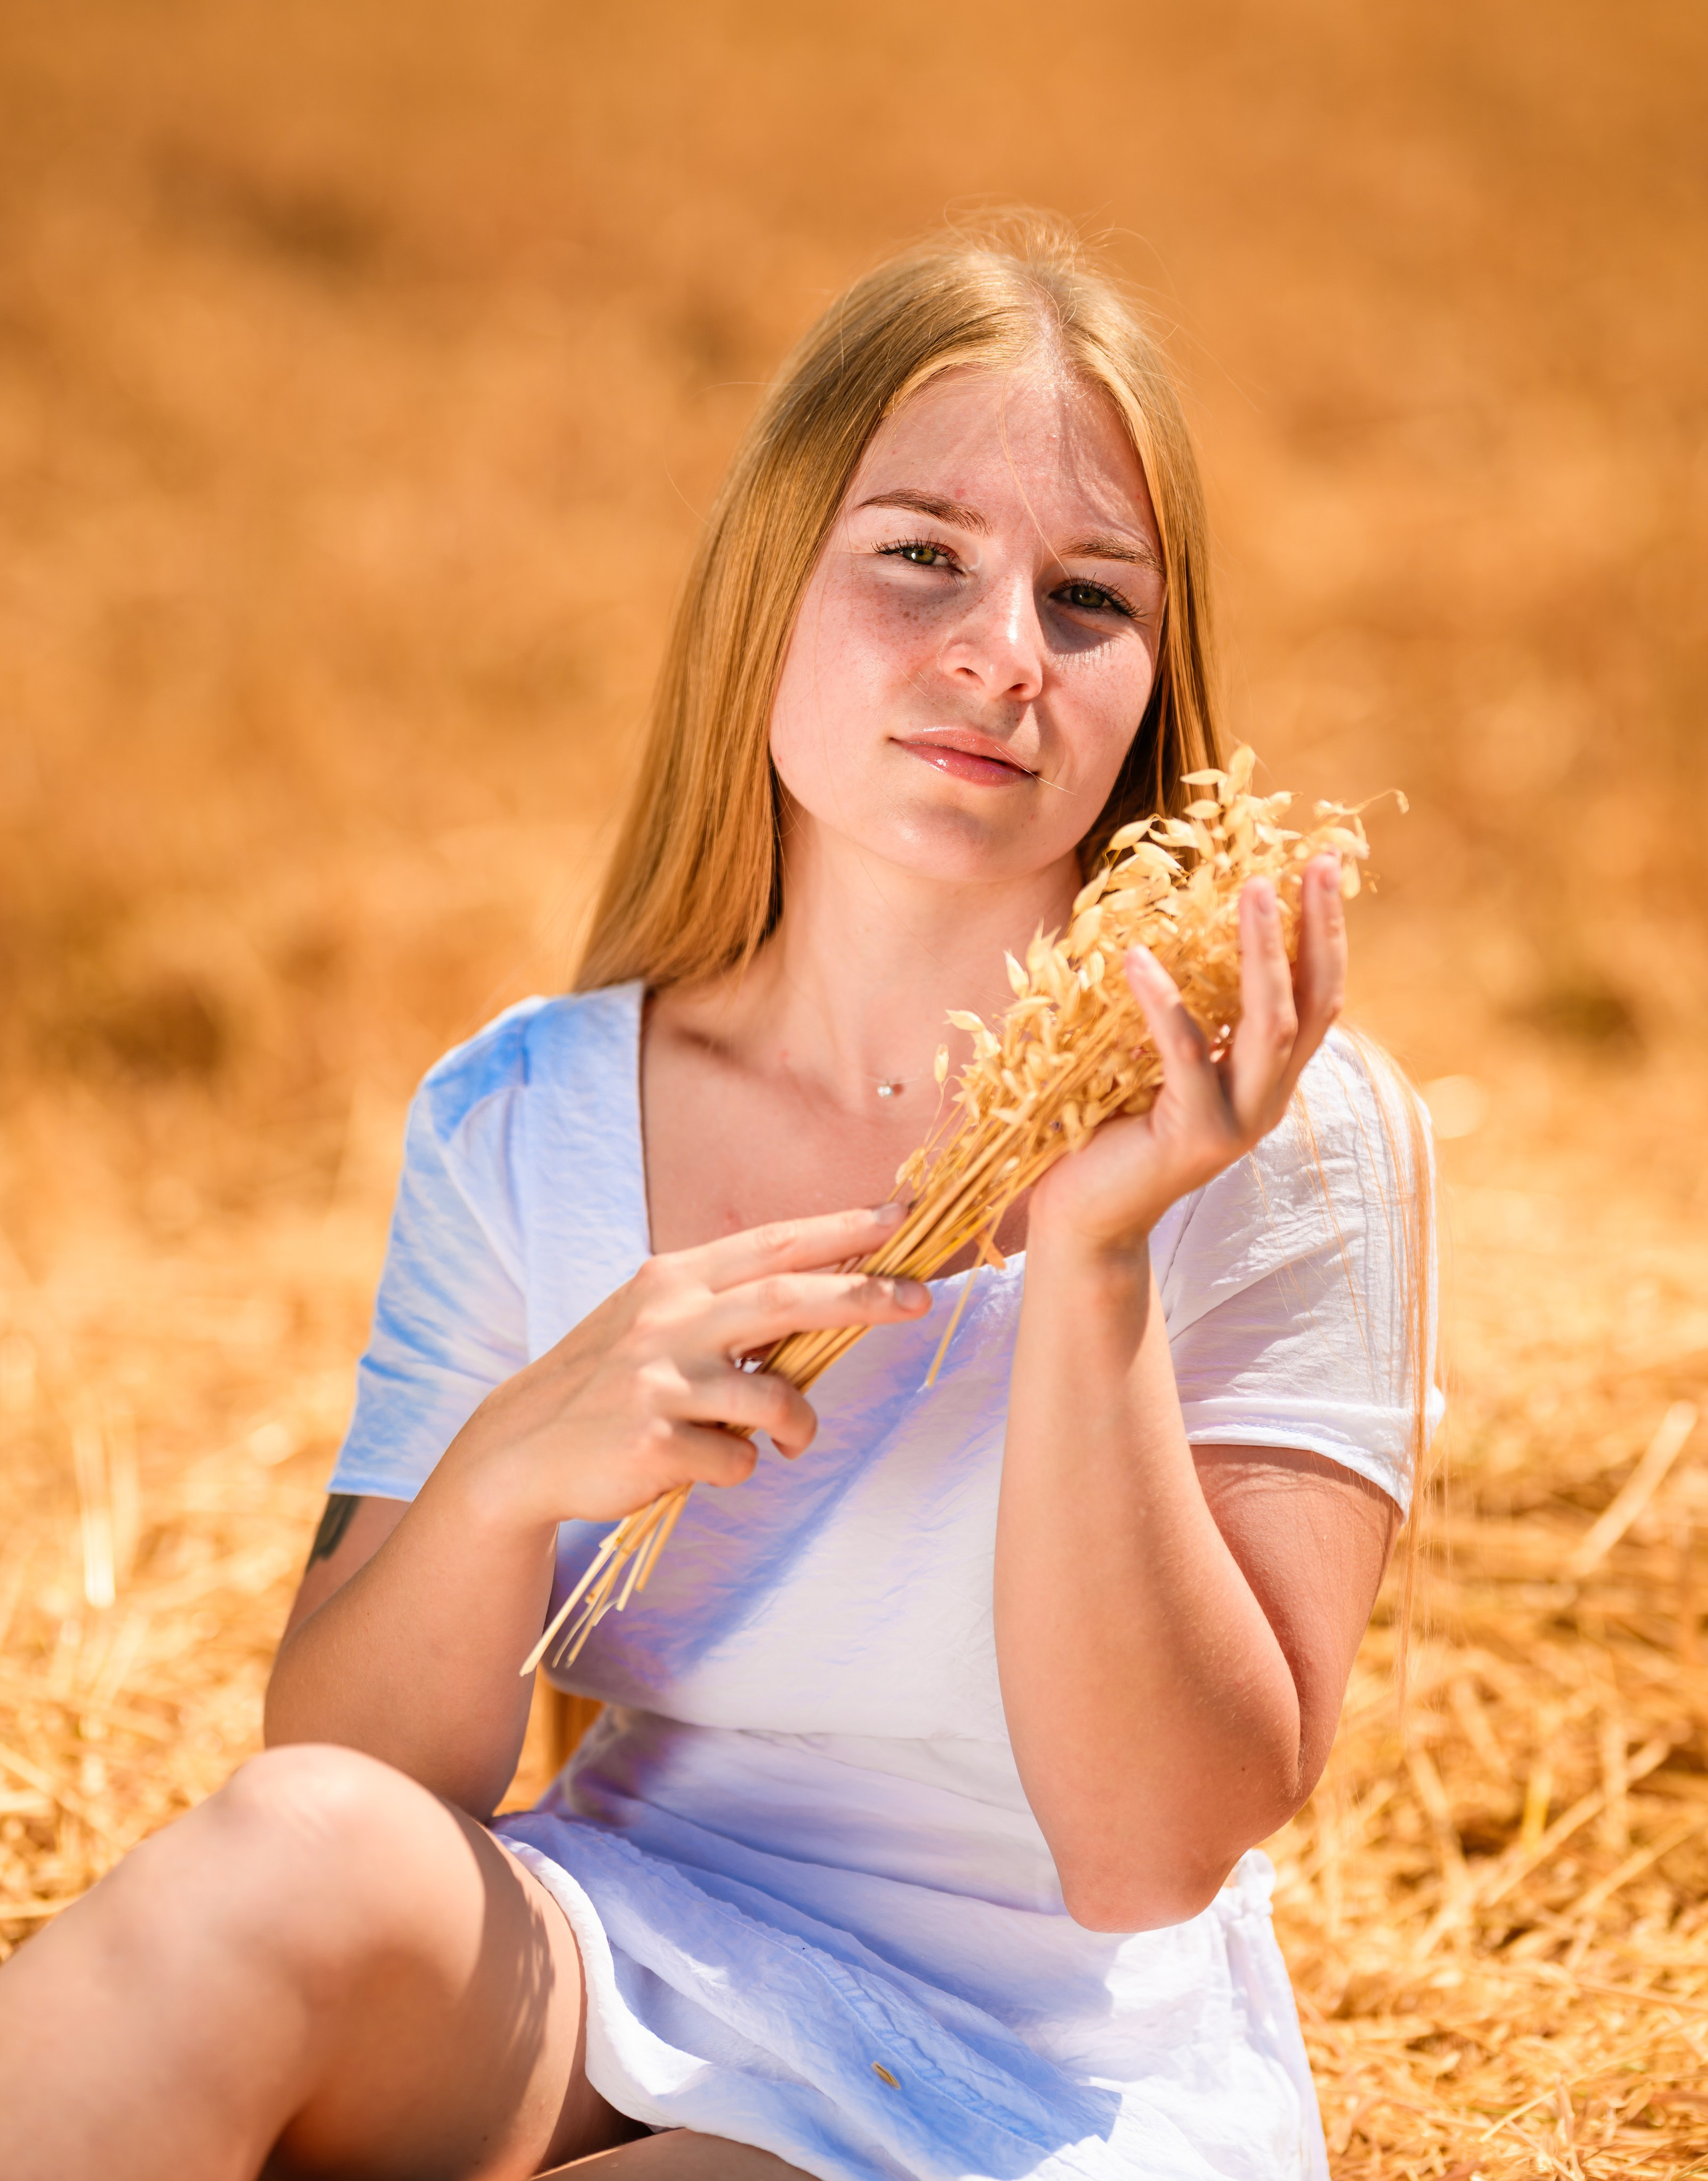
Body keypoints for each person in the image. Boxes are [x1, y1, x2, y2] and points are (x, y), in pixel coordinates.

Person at [0, 218, 1436, 2181]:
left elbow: (1145, 1848)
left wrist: (1093, 1267)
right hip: (628, 1942)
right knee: (276, 1869)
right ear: (767, 583)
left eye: (1090, 599)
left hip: (1050, 2068)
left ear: (1149, 692)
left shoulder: (1281, 1134)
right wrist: (512, 1467)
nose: (1005, 651)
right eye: (921, 554)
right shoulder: (526, 1112)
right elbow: (368, 1777)